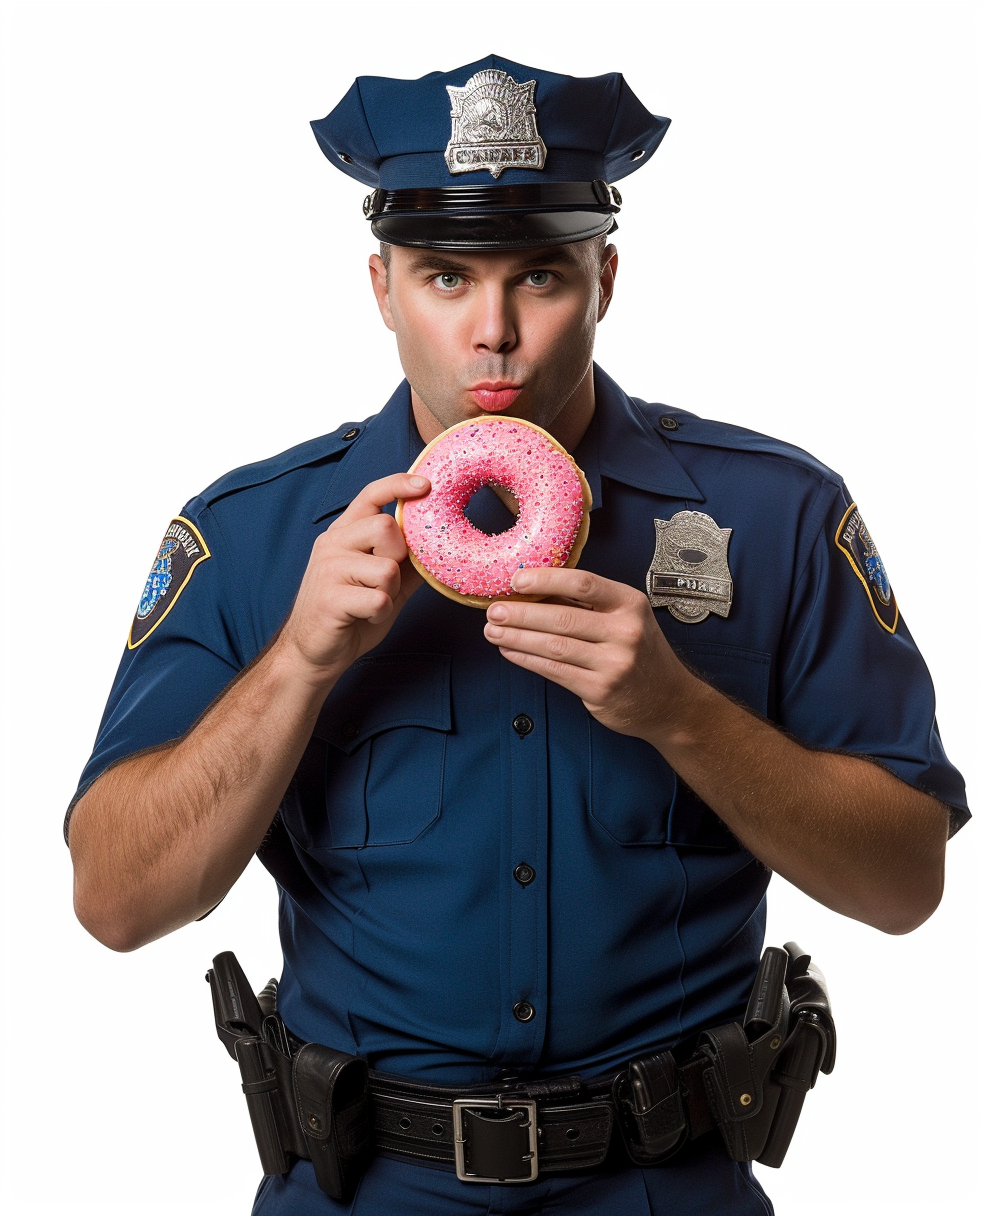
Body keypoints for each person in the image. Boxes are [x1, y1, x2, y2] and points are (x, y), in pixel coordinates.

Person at [66, 56, 968, 1214]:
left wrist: (679, 712)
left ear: (603, 276)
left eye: (537, 276)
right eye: (446, 276)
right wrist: (296, 663)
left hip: (663, 1185)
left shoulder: (774, 514)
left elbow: (903, 882)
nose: (493, 333)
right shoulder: (251, 535)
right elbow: (116, 902)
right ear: (382, 287)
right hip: (361, 1190)